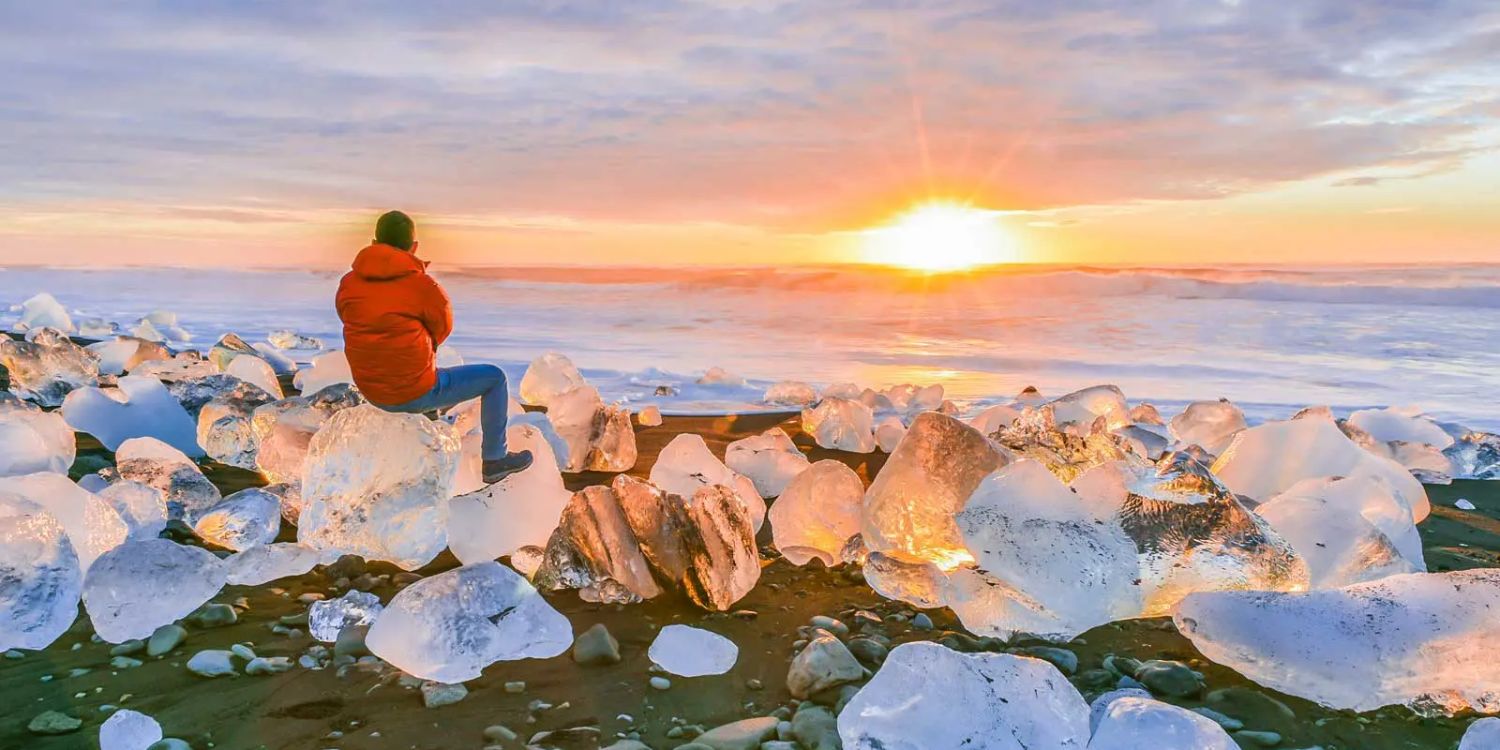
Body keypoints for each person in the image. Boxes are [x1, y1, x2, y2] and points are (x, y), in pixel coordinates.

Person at [335, 210, 532, 483]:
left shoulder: (348, 284)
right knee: (494, 378)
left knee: (413, 367)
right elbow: (442, 329)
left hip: (372, 391)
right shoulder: (423, 286)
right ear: (414, 247)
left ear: (373, 242)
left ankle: (430, 440)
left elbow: (349, 318)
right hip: (413, 393)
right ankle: (495, 459)